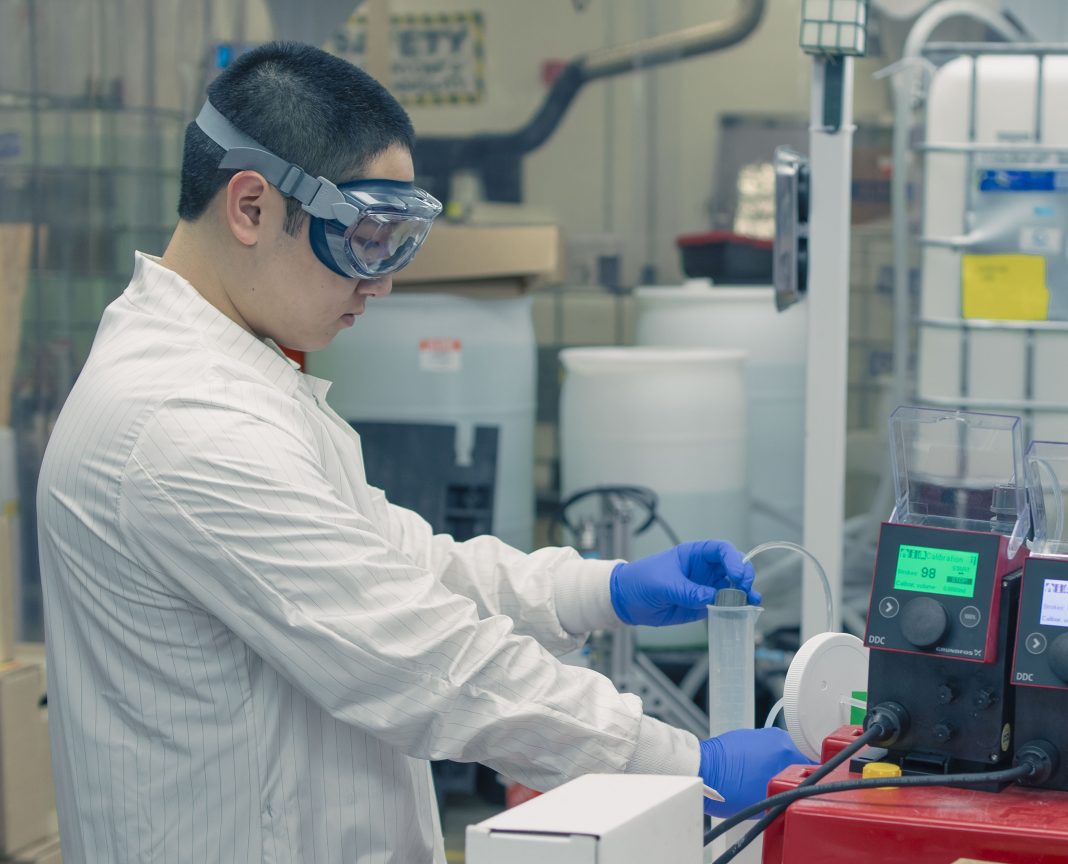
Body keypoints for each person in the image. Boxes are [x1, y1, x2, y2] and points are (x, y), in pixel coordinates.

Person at [36, 42, 808, 864]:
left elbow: (406, 569)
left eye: (398, 243)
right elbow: (422, 659)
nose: (381, 282)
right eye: (362, 239)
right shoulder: (184, 423)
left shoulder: (240, 383)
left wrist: (599, 590)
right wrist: (684, 765)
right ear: (252, 206)